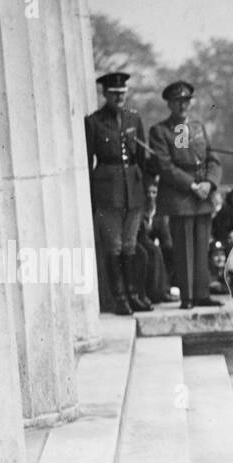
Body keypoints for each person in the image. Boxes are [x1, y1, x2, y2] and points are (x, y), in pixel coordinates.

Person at [149, 80, 223, 309]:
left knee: (202, 246)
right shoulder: (160, 131)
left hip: (203, 195)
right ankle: (188, 297)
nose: (183, 105)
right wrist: (193, 186)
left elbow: (212, 158)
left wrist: (210, 184)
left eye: (186, 101)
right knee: (184, 248)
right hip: (181, 195)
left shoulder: (198, 127)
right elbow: (166, 166)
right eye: (177, 101)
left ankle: (202, 294)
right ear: (169, 104)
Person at [84, 71, 151, 314]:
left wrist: (145, 190)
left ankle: (133, 294)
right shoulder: (94, 122)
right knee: (114, 246)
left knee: (130, 245)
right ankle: (120, 297)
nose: (119, 98)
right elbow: (88, 160)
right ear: (105, 94)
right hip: (108, 190)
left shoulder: (134, 119)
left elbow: (142, 159)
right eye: (114, 94)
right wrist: (93, 196)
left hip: (133, 189)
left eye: (122, 93)